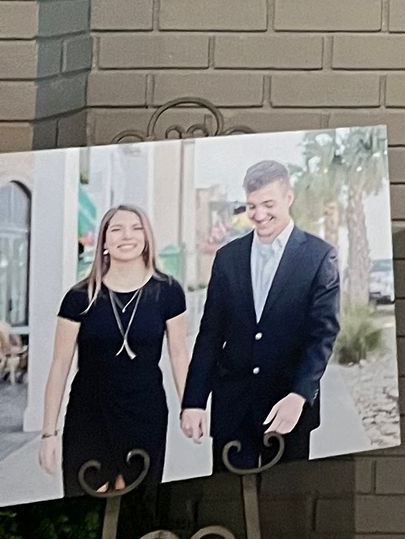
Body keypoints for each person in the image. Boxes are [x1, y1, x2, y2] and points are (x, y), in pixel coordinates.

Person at [181, 159, 341, 470]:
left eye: (268, 204)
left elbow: (322, 335)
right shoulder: (227, 258)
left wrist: (299, 395)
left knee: (283, 502)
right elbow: (210, 334)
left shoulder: (319, 256)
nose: (259, 214)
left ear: (289, 198)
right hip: (232, 408)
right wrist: (194, 401)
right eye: (251, 205)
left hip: (287, 407)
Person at [38, 205, 190, 498]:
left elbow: (180, 355)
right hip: (89, 412)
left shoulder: (168, 292)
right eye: (116, 229)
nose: (127, 236)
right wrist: (48, 433)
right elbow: (59, 365)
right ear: (104, 241)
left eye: (135, 228)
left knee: (137, 503)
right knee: (87, 499)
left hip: (145, 411)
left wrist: (190, 405)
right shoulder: (79, 297)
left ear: (146, 236)